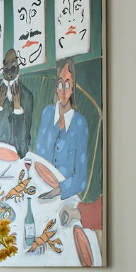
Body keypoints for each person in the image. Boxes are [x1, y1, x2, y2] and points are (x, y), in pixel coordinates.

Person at [35, 57, 89, 199]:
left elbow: (81, 179)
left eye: (67, 84)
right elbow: (38, 157)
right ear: (56, 88)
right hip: (41, 187)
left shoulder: (80, 124)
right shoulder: (47, 113)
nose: (63, 90)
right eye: (60, 84)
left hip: (66, 195)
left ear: (73, 88)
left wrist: (58, 191)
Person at [0, 48, 34, 157]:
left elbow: (22, 149)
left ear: (18, 66)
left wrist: (18, 108)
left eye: (13, 62)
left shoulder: (27, 96)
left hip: (17, 157)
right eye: (6, 64)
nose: (9, 67)